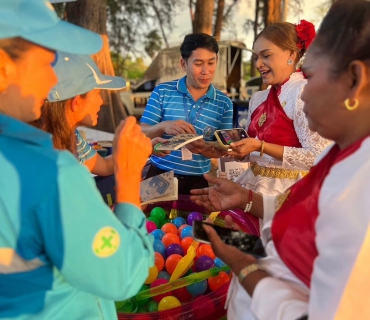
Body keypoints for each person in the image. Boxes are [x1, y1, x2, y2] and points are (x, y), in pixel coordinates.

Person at [0, 1, 154, 319]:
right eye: (46, 62)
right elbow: (122, 275)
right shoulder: (47, 173)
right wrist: (127, 178)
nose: (51, 82)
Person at [190, 1, 370, 319]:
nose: (303, 93)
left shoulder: (360, 188)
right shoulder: (342, 154)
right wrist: (249, 200)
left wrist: (245, 267)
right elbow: (309, 217)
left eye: (310, 76)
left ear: (354, 80)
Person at [227, 20, 331, 196]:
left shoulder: (304, 92)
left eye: (266, 56)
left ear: (291, 54)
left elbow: (319, 156)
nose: (258, 64)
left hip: (289, 193)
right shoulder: (259, 98)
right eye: (256, 57)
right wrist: (234, 150)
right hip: (252, 184)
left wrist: (261, 146)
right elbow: (254, 153)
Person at [32, 52, 167, 176]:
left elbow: (105, 165)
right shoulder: (41, 152)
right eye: (97, 94)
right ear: (77, 102)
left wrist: (145, 148)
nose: (102, 101)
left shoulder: (72, 137)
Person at [140, 33, 233, 195]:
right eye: (198, 64)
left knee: (193, 221)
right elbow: (142, 132)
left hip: (198, 182)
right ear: (183, 64)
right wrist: (163, 126)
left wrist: (204, 148)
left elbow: (223, 151)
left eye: (211, 63)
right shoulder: (162, 91)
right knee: (151, 219)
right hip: (158, 175)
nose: (206, 71)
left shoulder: (224, 103)